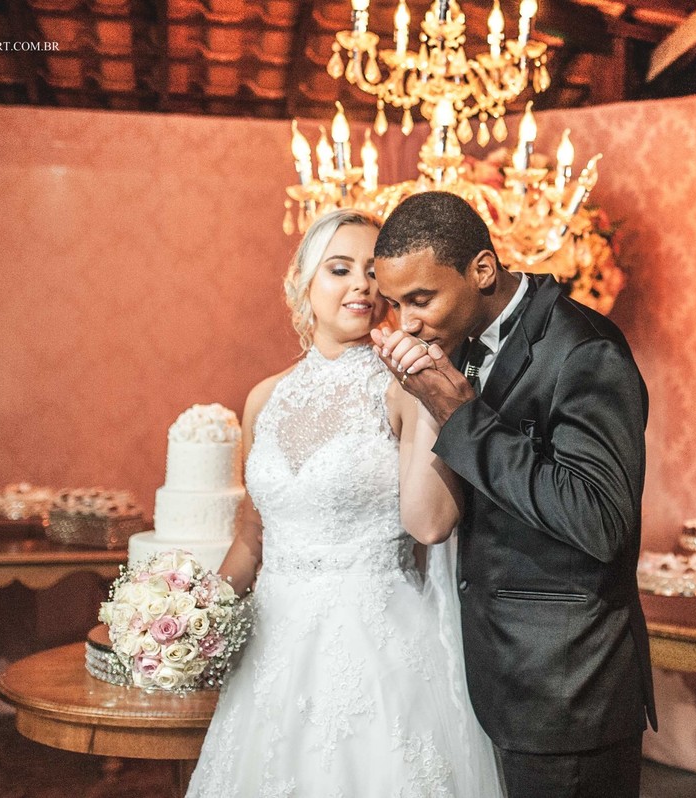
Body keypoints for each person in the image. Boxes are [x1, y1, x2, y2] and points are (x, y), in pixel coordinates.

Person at [186, 208, 504, 797]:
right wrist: (192, 615)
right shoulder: (264, 398)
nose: (360, 284)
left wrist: (432, 392)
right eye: (339, 269)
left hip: (376, 642)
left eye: (370, 272)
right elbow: (254, 534)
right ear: (304, 283)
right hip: (273, 647)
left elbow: (431, 525)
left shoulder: (404, 386)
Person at [371, 191, 657, 798]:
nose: (408, 324)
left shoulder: (585, 350)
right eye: (395, 304)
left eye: (421, 300)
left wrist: (458, 413)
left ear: (481, 269)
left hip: (569, 687)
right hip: (491, 676)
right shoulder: (458, 342)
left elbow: (600, 519)